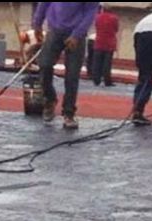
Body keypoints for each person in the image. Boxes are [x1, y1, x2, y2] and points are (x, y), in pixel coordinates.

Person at [33, 2, 100, 130]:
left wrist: (77, 35)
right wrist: (37, 23)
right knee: (44, 64)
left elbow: (90, 14)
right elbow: (44, 4)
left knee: (72, 75)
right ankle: (50, 99)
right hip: (55, 31)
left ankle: (69, 112)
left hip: (77, 34)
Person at [92, 5, 119, 87]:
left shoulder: (98, 17)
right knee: (107, 63)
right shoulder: (114, 18)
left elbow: (96, 27)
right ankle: (107, 81)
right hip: (109, 43)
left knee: (97, 62)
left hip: (99, 42)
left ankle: (96, 80)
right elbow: (116, 29)